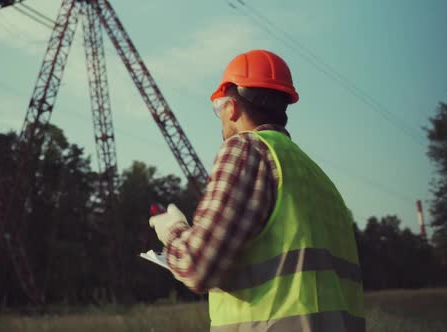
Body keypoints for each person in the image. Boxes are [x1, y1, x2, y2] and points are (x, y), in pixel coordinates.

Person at [149, 49, 365, 331]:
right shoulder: (318, 178)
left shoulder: (245, 148)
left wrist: (173, 231)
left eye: (219, 108)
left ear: (232, 106)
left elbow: (197, 266)